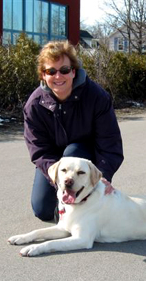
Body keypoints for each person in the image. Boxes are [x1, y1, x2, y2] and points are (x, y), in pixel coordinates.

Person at [23, 40, 124, 222]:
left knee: (72, 151)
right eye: (51, 71)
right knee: (43, 210)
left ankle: (85, 211)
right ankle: (70, 203)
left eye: (64, 70)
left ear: (73, 71)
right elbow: (39, 151)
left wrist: (104, 176)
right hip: (55, 164)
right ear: (43, 75)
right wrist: (56, 178)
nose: (58, 76)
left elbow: (110, 142)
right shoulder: (34, 105)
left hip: (87, 157)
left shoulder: (96, 97)